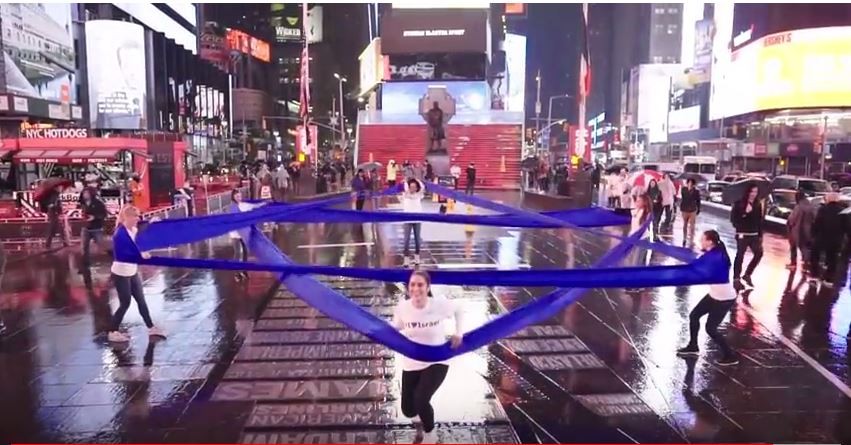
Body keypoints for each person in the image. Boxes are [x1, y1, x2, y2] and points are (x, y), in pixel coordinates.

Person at [392, 270, 464, 443]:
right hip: (412, 361)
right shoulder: (403, 308)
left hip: (436, 360)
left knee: (421, 399)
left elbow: (460, 308)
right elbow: (396, 327)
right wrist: (373, 329)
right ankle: (420, 426)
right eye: (412, 285)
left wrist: (458, 332)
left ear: (428, 287)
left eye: (420, 284)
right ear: (408, 288)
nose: (416, 288)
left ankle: (431, 436)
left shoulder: (439, 304)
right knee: (408, 409)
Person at [677, 230, 738, 365]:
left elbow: (700, 269)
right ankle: (693, 346)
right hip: (714, 294)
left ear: (710, 242)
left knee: (710, 329)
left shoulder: (716, 257)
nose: (700, 241)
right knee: (694, 315)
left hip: (724, 298)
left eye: (702, 239)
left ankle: (731, 355)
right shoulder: (714, 254)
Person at [108, 205, 165, 342]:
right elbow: (128, 251)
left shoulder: (133, 229)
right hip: (121, 273)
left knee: (141, 300)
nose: (137, 219)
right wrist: (141, 254)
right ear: (127, 217)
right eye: (135, 216)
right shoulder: (120, 234)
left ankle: (151, 327)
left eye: (138, 216)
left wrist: (153, 223)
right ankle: (112, 331)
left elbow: (142, 234)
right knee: (125, 303)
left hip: (132, 271)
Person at [730, 184, 763, 288]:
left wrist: (760, 234)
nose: (753, 194)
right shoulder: (739, 204)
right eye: (752, 191)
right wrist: (745, 213)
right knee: (740, 255)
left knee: (759, 253)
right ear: (747, 192)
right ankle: (736, 278)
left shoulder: (758, 204)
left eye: (756, 192)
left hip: (754, 234)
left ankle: (748, 274)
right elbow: (734, 220)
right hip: (742, 234)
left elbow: (759, 220)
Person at [229, 189, 265, 281]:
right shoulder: (232, 207)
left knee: (245, 252)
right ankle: (236, 273)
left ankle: (244, 271)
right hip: (235, 234)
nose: (238, 198)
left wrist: (265, 203)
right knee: (237, 253)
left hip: (244, 233)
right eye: (236, 196)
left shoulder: (244, 205)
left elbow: (255, 206)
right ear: (233, 197)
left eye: (239, 196)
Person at [809, 192, 843, 287]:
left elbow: (817, 223)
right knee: (833, 259)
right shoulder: (842, 211)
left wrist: (813, 234)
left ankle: (814, 277)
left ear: (828, 199)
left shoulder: (823, 209)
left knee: (815, 256)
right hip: (835, 240)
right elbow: (847, 227)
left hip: (821, 238)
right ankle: (828, 280)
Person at [786, 191, 815, 271]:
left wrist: (789, 225)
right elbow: (814, 218)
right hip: (808, 230)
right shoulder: (810, 206)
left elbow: (792, 219)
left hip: (797, 230)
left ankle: (793, 264)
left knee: (793, 247)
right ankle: (806, 263)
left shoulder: (798, 207)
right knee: (804, 247)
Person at [80, 188, 108, 266]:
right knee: (84, 248)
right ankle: (85, 265)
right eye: (84, 193)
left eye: (87, 193)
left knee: (102, 246)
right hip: (86, 228)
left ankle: (112, 260)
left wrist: (95, 217)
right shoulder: (82, 203)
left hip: (96, 228)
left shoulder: (98, 203)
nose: (85, 195)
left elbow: (104, 214)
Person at [402, 178, 425, 266]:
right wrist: (406, 181)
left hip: (417, 219)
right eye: (411, 187)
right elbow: (405, 186)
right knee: (406, 240)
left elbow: (422, 187)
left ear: (416, 188)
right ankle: (406, 258)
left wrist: (416, 179)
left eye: (414, 187)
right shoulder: (406, 195)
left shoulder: (419, 195)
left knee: (417, 240)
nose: (412, 188)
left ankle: (417, 256)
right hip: (407, 219)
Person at [44, 185, 68, 249]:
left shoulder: (56, 195)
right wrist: (56, 207)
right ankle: (63, 242)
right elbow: (52, 204)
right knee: (54, 228)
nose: (61, 188)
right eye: (60, 187)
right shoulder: (54, 195)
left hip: (54, 213)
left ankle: (63, 242)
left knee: (57, 228)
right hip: (53, 213)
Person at [680, 178, 702, 246]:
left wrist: (698, 209)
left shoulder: (696, 191)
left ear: (693, 184)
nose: (690, 184)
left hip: (693, 209)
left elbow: (698, 201)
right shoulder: (684, 189)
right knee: (685, 224)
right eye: (689, 182)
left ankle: (691, 239)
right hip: (685, 209)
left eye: (691, 183)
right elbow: (683, 198)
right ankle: (684, 238)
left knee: (692, 226)